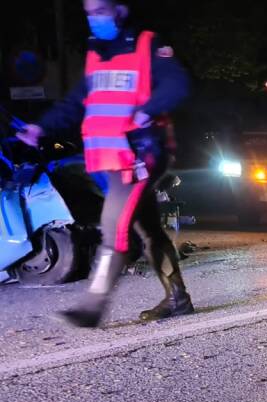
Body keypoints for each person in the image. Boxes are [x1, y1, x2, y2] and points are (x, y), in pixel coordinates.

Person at [18, 0, 193, 327]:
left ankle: (92, 306)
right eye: (88, 12)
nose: (93, 18)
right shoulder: (96, 56)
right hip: (109, 159)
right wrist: (41, 127)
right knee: (149, 229)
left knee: (115, 229)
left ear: (120, 9)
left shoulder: (146, 45)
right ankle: (178, 299)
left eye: (100, 10)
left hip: (138, 154)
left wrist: (146, 110)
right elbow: (74, 104)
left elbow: (177, 84)